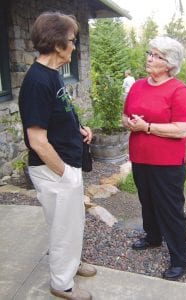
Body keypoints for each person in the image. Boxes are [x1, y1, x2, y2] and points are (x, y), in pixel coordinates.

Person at [19, 12, 96, 300]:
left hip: (64, 165)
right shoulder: (38, 82)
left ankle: (71, 264)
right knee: (63, 228)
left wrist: (79, 130)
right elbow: (37, 140)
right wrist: (64, 173)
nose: (74, 46)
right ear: (56, 43)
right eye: (71, 40)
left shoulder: (53, 75)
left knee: (72, 222)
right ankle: (62, 284)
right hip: (54, 170)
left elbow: (57, 115)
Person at [122, 36, 186, 281]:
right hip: (140, 157)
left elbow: (182, 129)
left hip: (168, 163)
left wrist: (147, 127)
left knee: (170, 209)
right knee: (147, 201)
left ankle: (180, 259)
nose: (149, 59)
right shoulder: (137, 86)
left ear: (170, 63)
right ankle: (152, 237)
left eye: (156, 56)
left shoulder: (178, 90)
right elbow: (125, 116)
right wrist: (130, 124)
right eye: (149, 54)